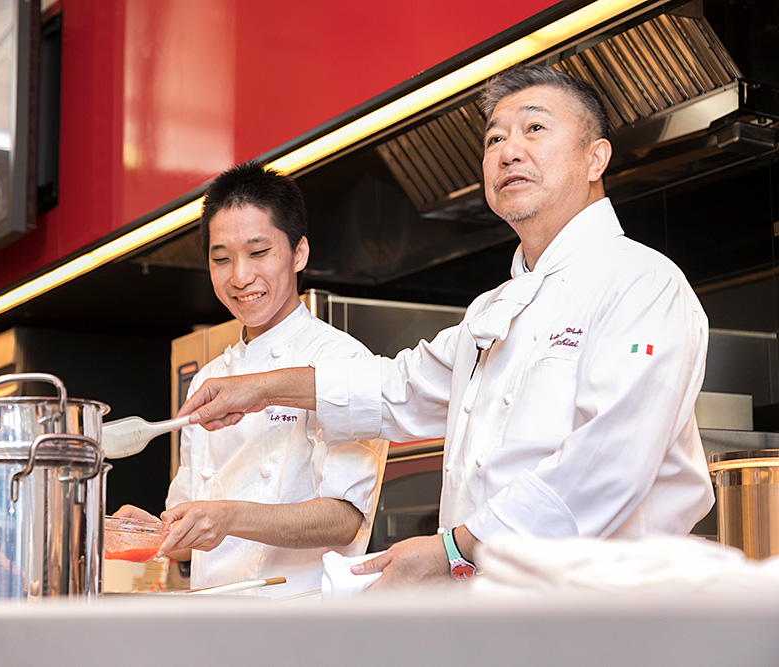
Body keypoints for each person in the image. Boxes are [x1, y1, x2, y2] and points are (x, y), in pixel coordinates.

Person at [177, 65, 714, 590]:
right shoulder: (493, 309)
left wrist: (456, 547)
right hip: (490, 615)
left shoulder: (642, 284)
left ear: (595, 157)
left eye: (534, 128)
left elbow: (606, 467)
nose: (508, 150)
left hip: (603, 619)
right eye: (494, 138)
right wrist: (259, 387)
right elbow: (396, 388)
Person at [117, 161, 387, 598]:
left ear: (299, 253)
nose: (240, 277)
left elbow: (344, 518)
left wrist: (227, 516)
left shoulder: (341, 360)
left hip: (299, 626)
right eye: (221, 259)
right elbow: (189, 536)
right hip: (212, 626)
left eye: (258, 253)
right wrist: (152, 533)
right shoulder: (208, 378)